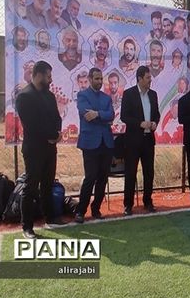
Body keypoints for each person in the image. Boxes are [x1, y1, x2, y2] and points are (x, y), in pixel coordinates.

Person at [15, 60, 65, 238]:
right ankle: (27, 227)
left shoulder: (49, 96)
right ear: (38, 75)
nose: (50, 80)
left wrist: (57, 134)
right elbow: (32, 125)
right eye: (48, 76)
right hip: (34, 149)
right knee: (30, 187)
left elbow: (57, 118)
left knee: (47, 184)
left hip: (50, 148)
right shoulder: (24, 96)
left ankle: (50, 217)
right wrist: (51, 135)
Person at [74, 68, 115, 223]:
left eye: (101, 79)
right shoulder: (82, 95)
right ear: (90, 79)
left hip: (106, 143)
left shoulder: (106, 98)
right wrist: (103, 116)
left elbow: (111, 115)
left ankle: (96, 209)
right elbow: (86, 115)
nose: (99, 81)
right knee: (90, 177)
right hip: (90, 143)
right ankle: (80, 211)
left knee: (103, 178)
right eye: (96, 78)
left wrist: (97, 114)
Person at [120, 65, 160, 215]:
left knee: (149, 172)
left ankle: (148, 201)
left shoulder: (153, 95)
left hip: (148, 140)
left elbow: (157, 114)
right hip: (133, 140)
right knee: (131, 172)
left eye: (150, 77)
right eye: (148, 77)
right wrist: (140, 123)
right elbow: (124, 116)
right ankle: (128, 204)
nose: (150, 80)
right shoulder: (129, 94)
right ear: (140, 78)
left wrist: (155, 122)